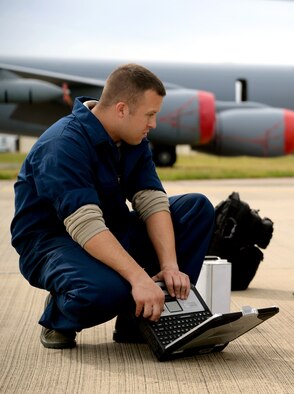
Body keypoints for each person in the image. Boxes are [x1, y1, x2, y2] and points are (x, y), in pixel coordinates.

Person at [10, 64, 215, 349]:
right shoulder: (62, 144)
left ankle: (142, 317)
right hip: (53, 244)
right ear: (122, 109)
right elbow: (86, 224)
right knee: (109, 290)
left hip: (110, 229)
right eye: (150, 115)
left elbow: (151, 200)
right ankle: (60, 314)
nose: (154, 124)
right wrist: (138, 278)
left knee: (196, 208)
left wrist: (170, 266)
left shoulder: (132, 136)